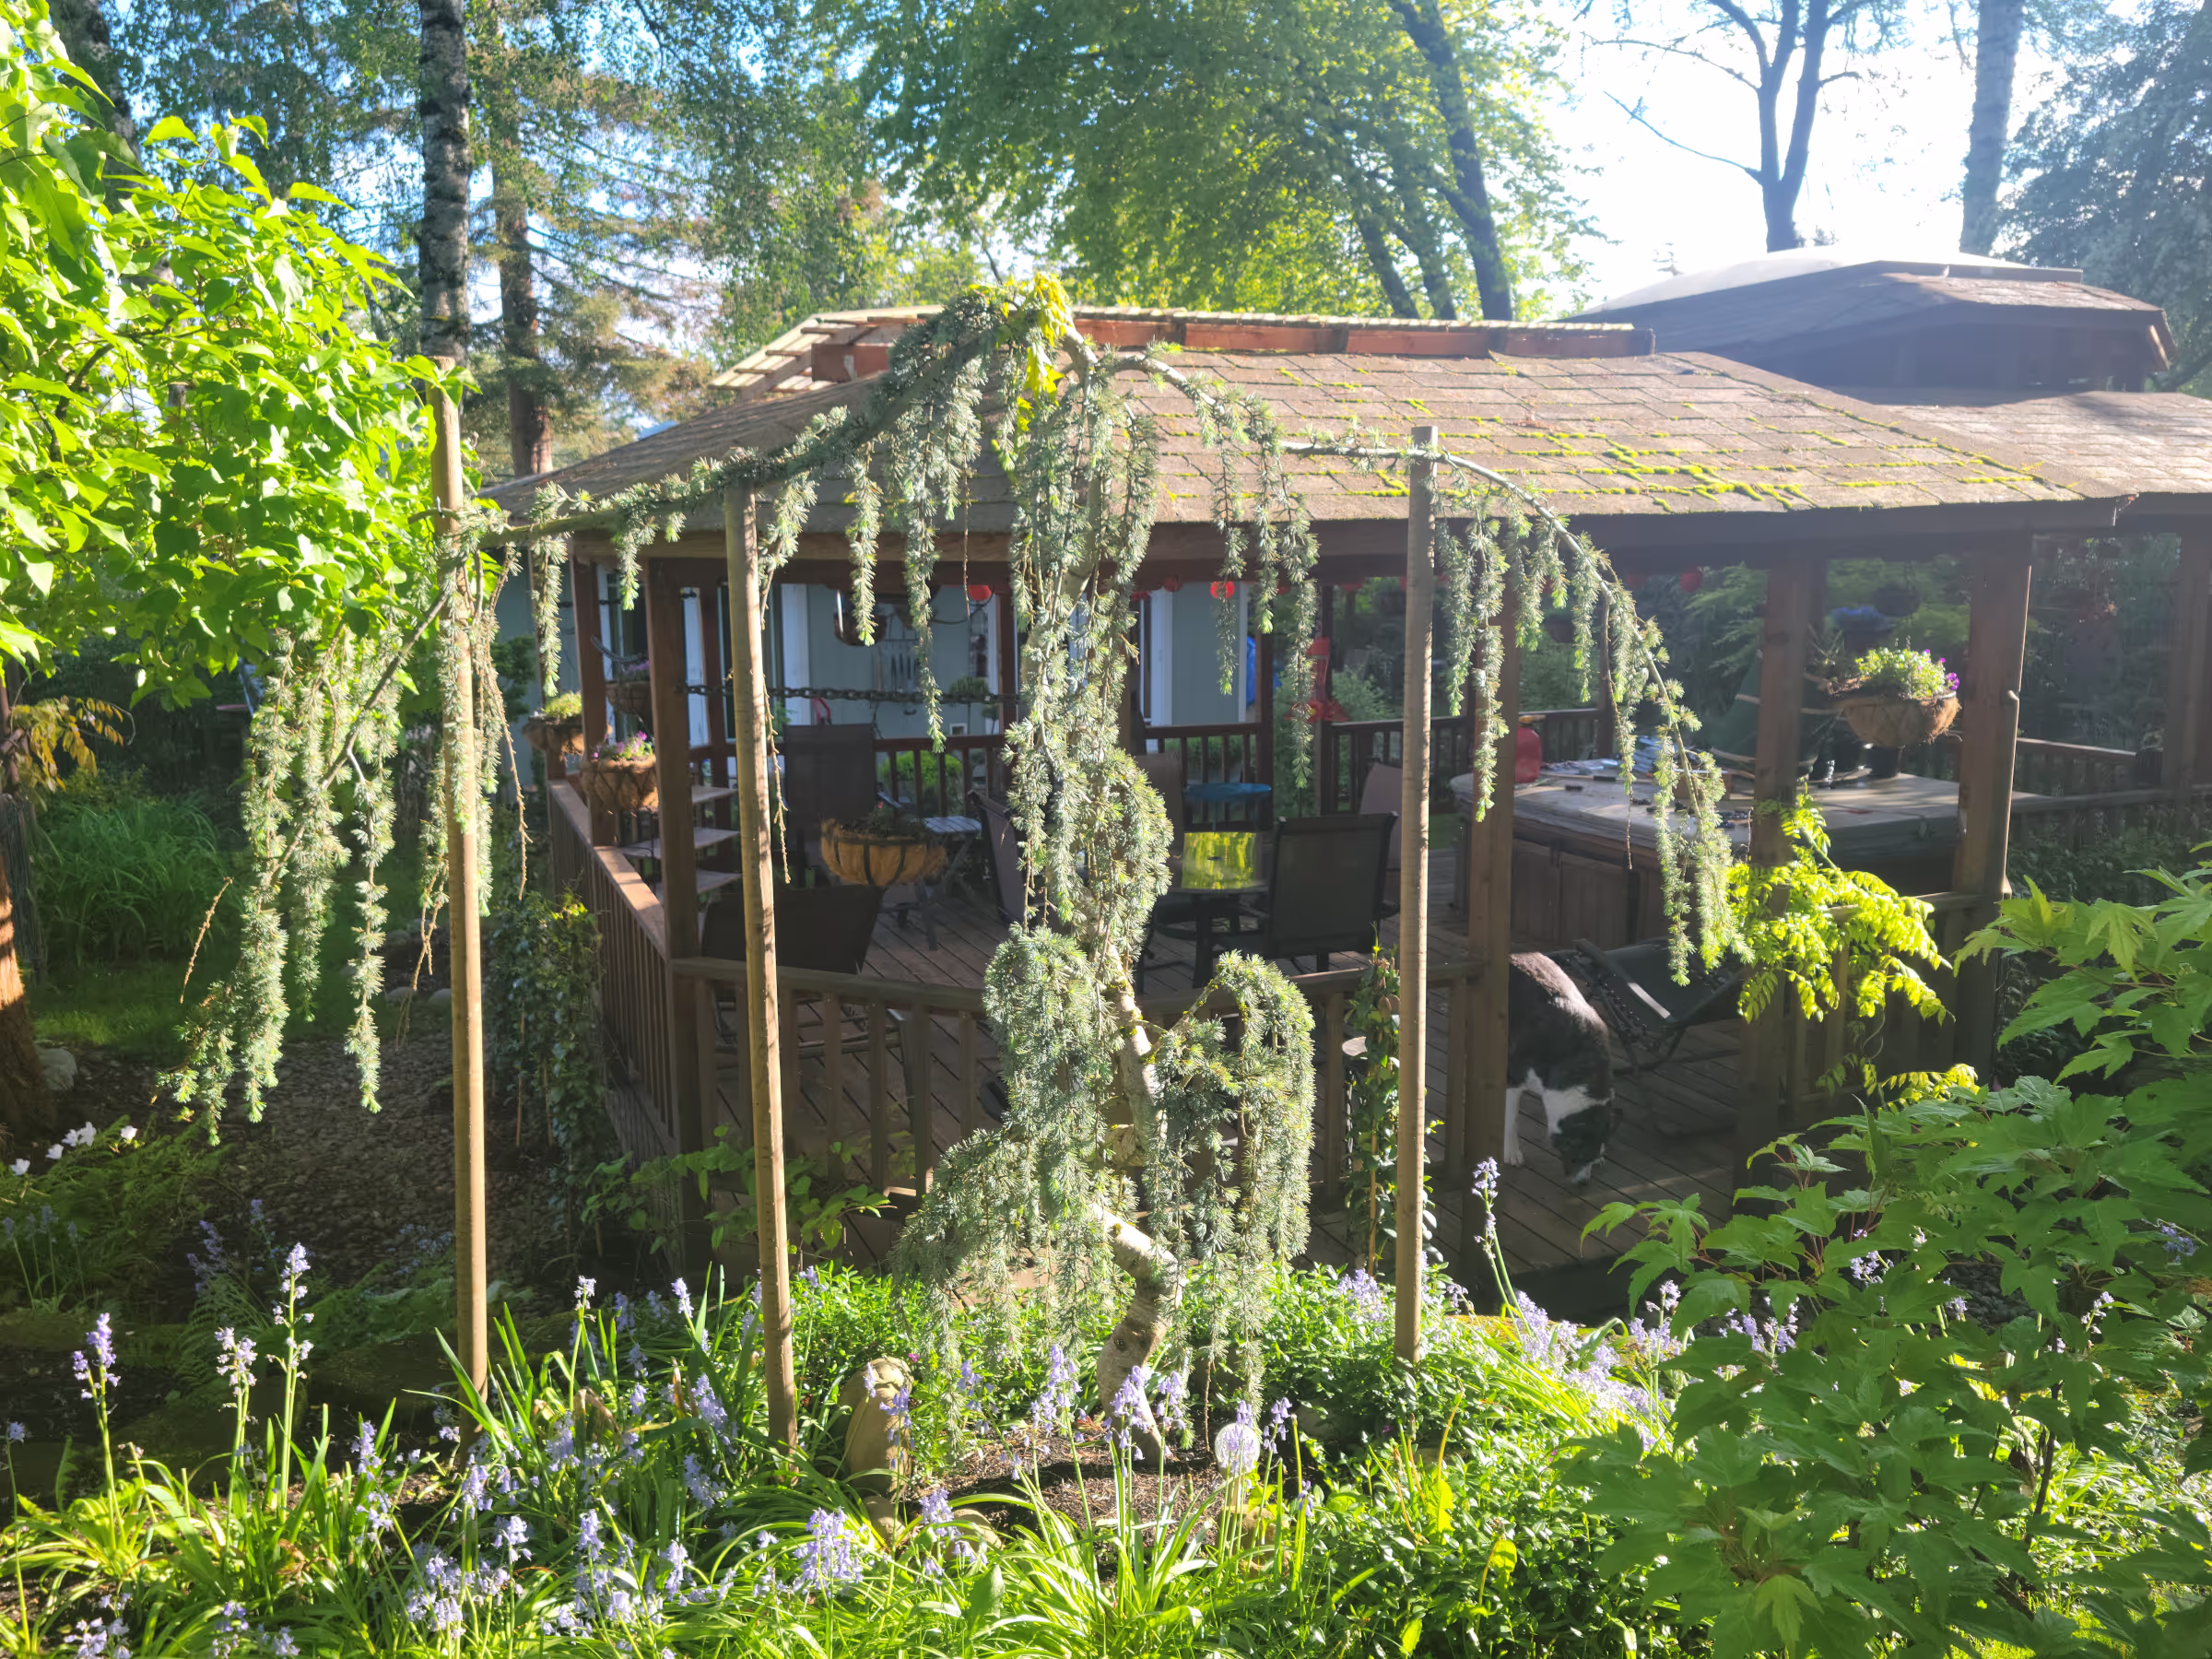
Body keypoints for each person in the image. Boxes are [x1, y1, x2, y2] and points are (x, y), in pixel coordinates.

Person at [1704, 605, 1894, 779]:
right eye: (1870, 641)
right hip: (1746, 764)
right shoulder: (1801, 659)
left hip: (1791, 768)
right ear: (1848, 637)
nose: (1872, 648)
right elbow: (1829, 694)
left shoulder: (1835, 668)